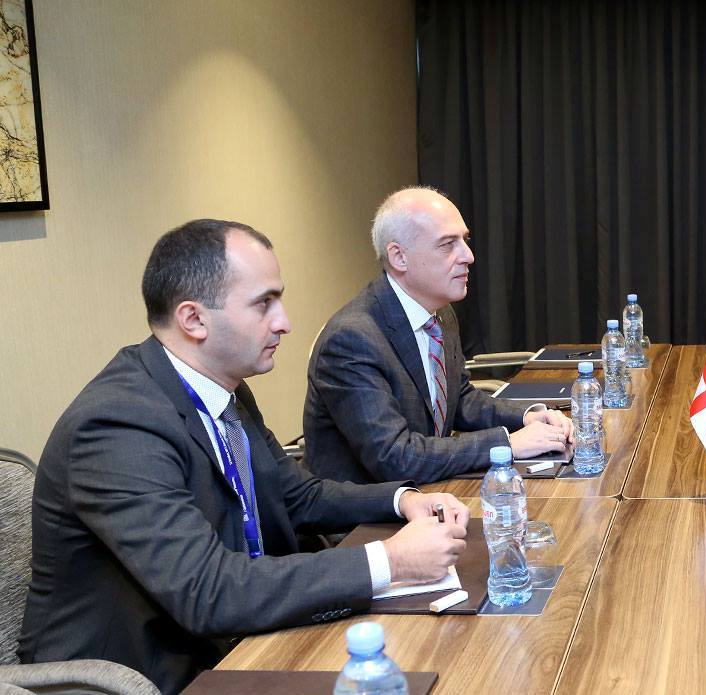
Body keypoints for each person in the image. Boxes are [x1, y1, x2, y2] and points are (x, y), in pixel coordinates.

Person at [18, 220, 470, 693]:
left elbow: (297, 496)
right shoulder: (117, 425)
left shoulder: (223, 390)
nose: (284, 322)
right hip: (144, 673)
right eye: (263, 303)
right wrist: (391, 560)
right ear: (193, 320)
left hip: (238, 638)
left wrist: (403, 500)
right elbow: (207, 590)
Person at [304, 187, 572, 484]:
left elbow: (460, 399)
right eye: (448, 245)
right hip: (368, 507)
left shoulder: (441, 313)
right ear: (399, 257)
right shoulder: (352, 339)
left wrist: (527, 417)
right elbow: (396, 458)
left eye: (465, 241)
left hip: (431, 489)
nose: (468, 256)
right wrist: (507, 444)